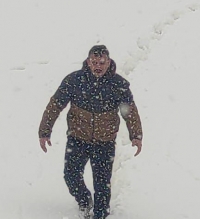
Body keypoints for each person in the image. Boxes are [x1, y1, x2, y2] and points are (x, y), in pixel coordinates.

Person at [39, 45, 143, 219]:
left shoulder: (118, 85)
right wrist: (44, 131)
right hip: (77, 139)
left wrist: (136, 135)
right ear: (88, 61)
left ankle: (100, 215)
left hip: (105, 142)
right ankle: (84, 200)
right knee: (71, 176)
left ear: (108, 62)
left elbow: (130, 112)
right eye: (94, 62)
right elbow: (55, 105)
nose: (98, 66)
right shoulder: (74, 81)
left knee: (102, 185)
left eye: (102, 62)